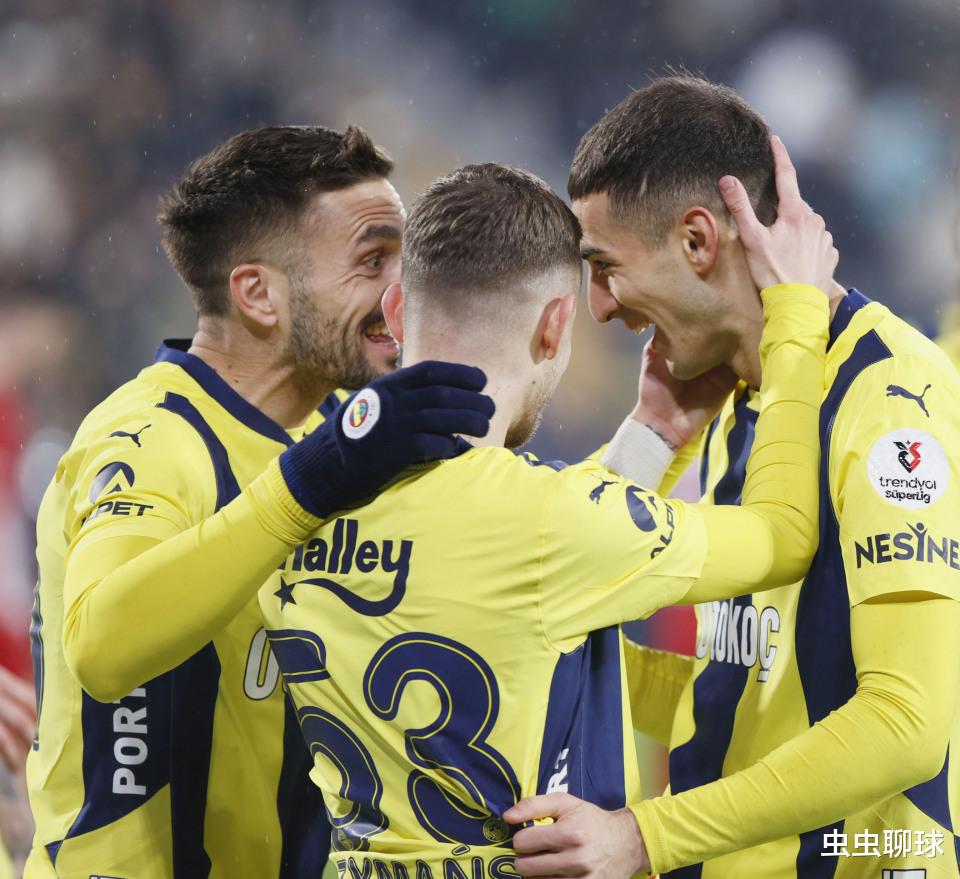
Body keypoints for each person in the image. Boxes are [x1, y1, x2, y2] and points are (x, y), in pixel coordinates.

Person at [256, 158, 836, 877]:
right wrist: (796, 318)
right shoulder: (549, 520)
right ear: (556, 326)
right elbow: (782, 537)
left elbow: (508, 572)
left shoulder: (292, 500)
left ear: (398, 310)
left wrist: (653, 434)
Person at [505, 75, 960, 879]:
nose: (600, 306)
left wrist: (644, 834)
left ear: (697, 240)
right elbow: (746, 677)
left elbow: (904, 722)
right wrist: (652, 441)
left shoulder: (890, 394)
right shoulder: (728, 396)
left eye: (605, 266)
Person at [26, 125, 496, 878]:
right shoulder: (150, 437)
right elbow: (102, 647)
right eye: (373, 260)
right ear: (258, 295)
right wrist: (306, 487)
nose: (404, 291)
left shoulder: (339, 439)